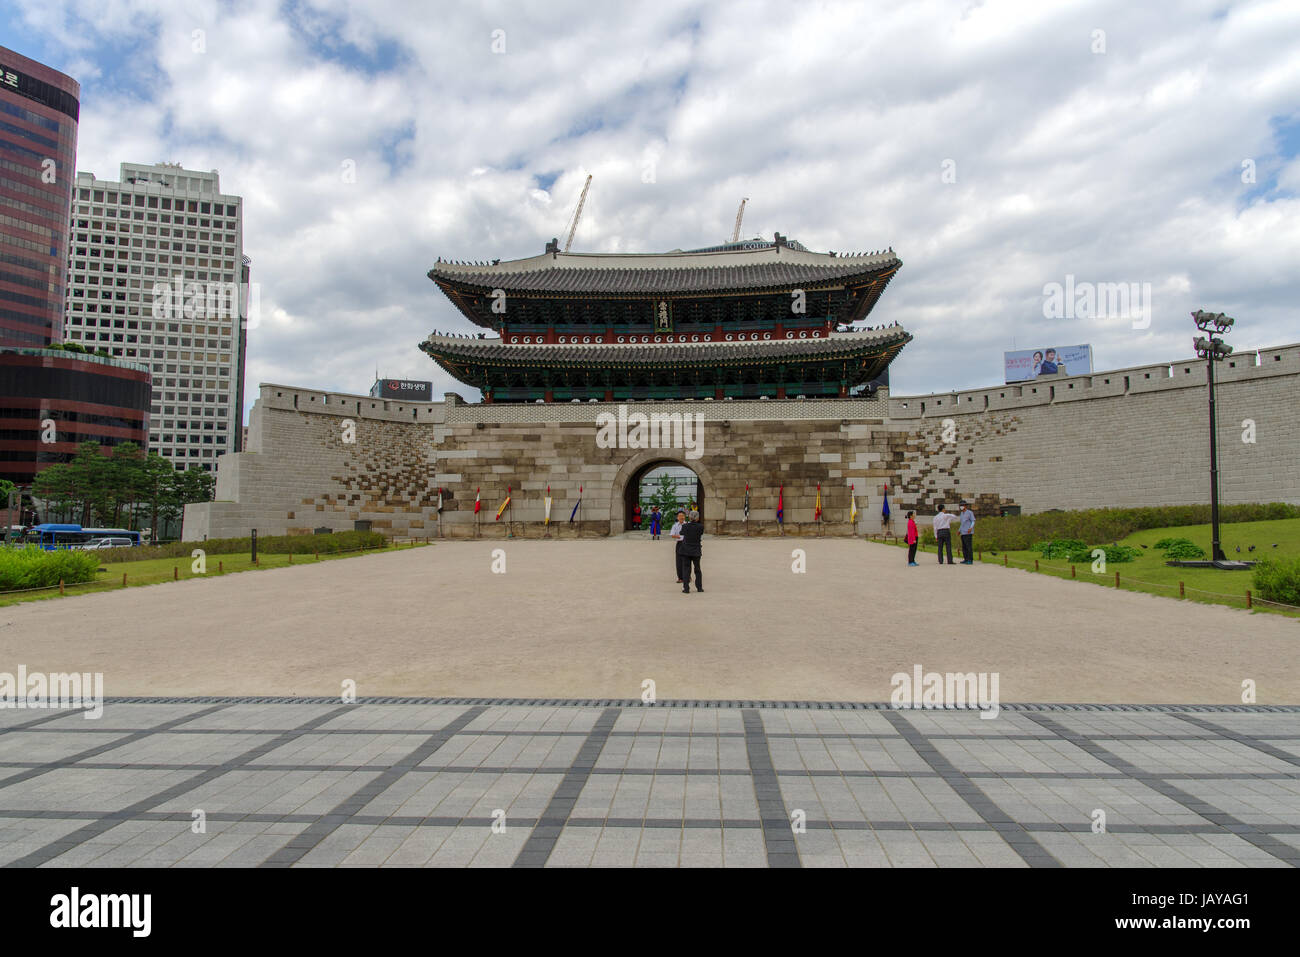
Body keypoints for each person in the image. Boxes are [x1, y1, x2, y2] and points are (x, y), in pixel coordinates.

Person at [679, 509, 704, 593]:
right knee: (697, 569)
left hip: (686, 550)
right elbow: (700, 534)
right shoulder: (701, 526)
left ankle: (686, 588)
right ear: (697, 518)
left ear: (689, 518)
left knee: (686, 569)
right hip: (696, 549)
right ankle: (699, 588)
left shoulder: (685, 526)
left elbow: (681, 533)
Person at [670, 510, 686, 582]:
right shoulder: (675, 525)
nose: (681, 517)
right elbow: (672, 535)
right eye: (679, 516)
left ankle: (687, 576)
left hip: (686, 543)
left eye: (682, 516)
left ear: (685, 517)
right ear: (677, 517)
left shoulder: (687, 525)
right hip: (679, 544)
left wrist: (678, 536)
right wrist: (679, 537)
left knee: (686, 560)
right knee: (679, 561)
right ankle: (680, 578)